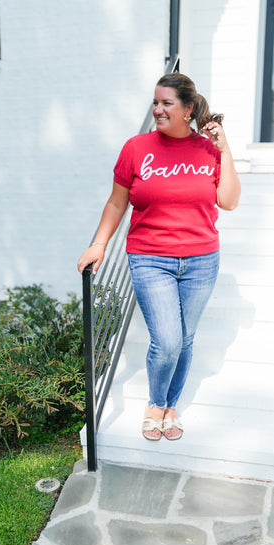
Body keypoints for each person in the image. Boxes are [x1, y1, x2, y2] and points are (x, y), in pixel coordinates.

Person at [77, 73, 241, 442]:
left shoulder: (208, 150)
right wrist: (100, 244)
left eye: (167, 103)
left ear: (187, 109)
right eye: (155, 103)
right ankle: (155, 402)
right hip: (150, 258)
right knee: (166, 340)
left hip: (201, 260)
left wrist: (225, 149)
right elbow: (117, 201)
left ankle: (170, 406)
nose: (157, 110)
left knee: (184, 338)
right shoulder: (136, 148)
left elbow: (228, 201)